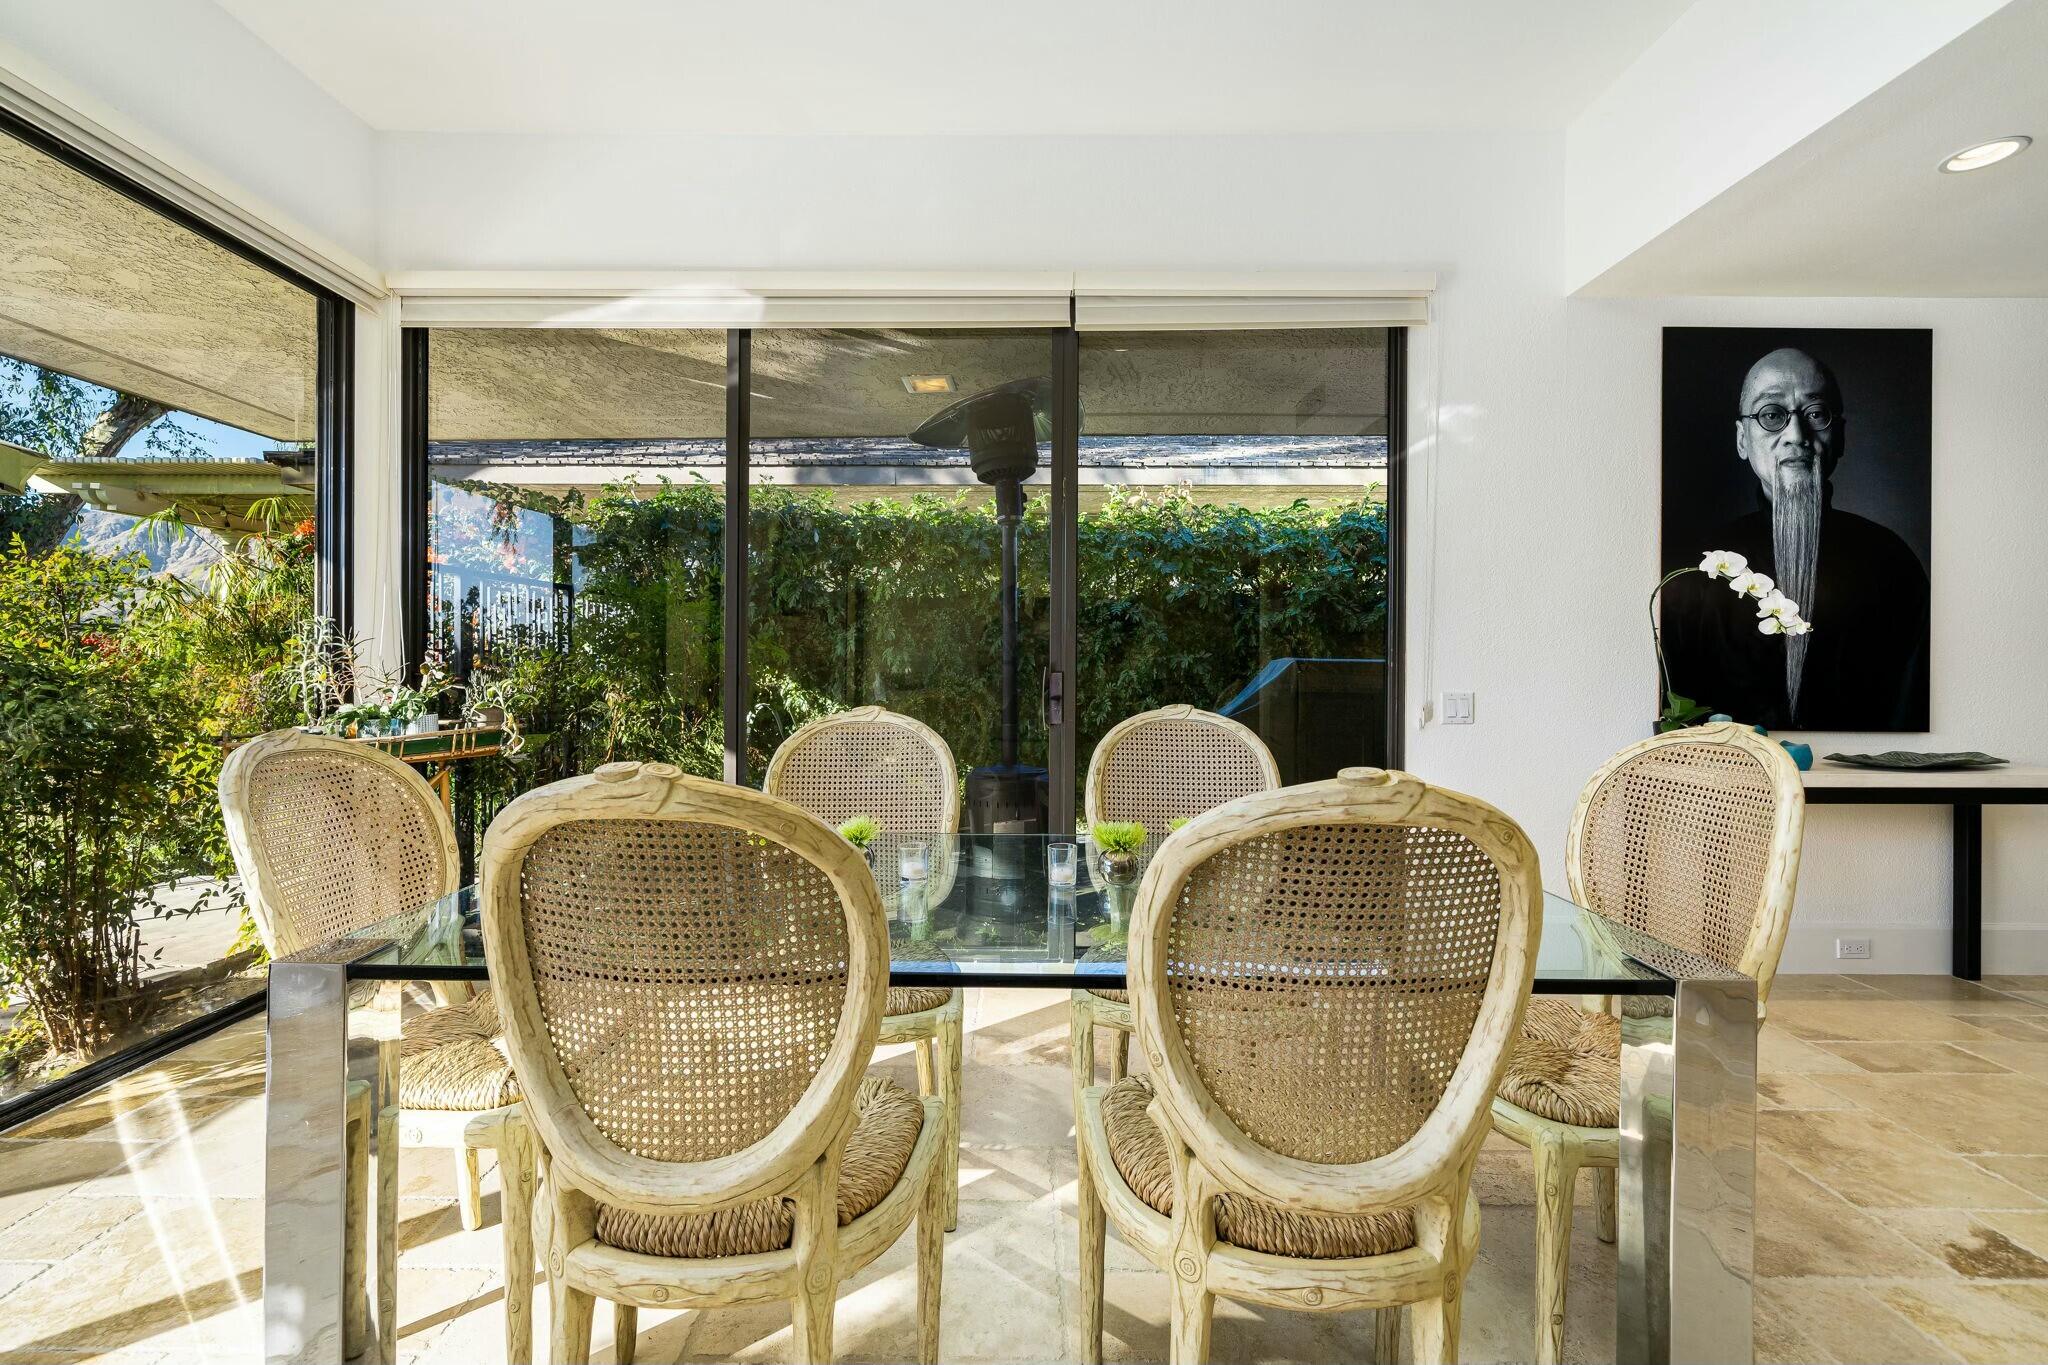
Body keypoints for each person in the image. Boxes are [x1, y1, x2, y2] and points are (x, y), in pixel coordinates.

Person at [1663, 347, 1929, 730]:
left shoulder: (1891, 563)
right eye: (1772, 415)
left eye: (1816, 414)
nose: (1796, 435)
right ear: (1742, 439)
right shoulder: (1697, 569)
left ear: (1839, 437)